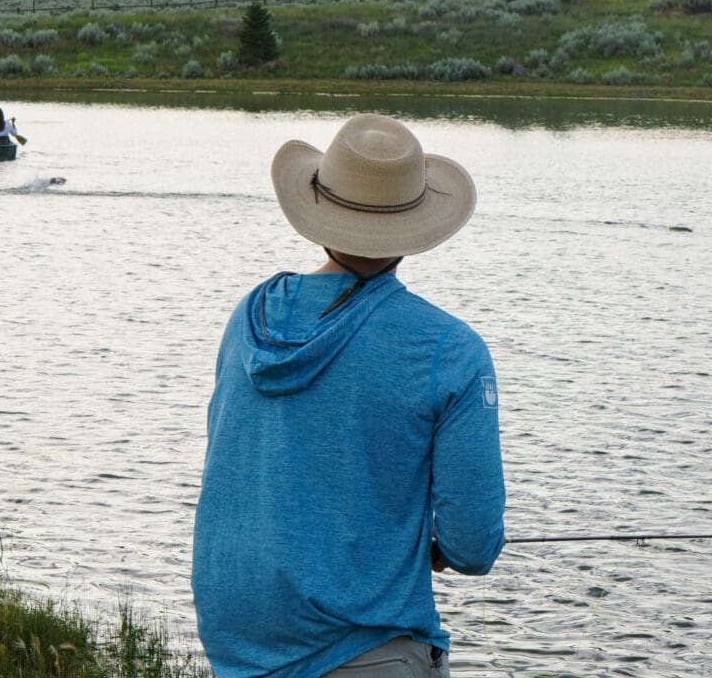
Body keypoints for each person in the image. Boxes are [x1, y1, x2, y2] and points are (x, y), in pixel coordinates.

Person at [192, 113, 505, 678]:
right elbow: (473, 545)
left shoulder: (249, 317)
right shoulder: (449, 350)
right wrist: (437, 547)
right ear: (413, 226)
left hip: (237, 651)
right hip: (365, 652)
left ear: (318, 209)